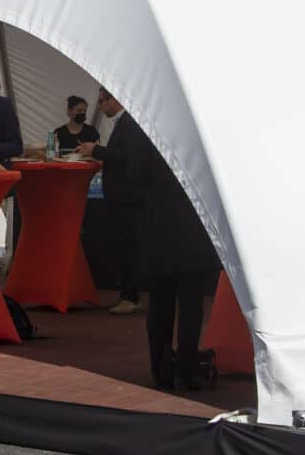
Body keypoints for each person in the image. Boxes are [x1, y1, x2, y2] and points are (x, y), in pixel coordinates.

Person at [85, 93, 221, 390]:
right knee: (191, 306)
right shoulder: (205, 130)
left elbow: (135, 175)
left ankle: (160, 367)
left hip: (158, 225)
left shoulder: (147, 126)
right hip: (194, 228)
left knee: (160, 302)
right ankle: (186, 370)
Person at [78, 89, 142, 314]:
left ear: (115, 99)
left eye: (103, 101)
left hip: (125, 197)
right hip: (120, 195)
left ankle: (130, 296)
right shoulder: (123, 123)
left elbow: (125, 156)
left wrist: (96, 150)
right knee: (123, 245)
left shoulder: (129, 124)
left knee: (127, 246)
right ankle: (128, 293)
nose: (101, 106)